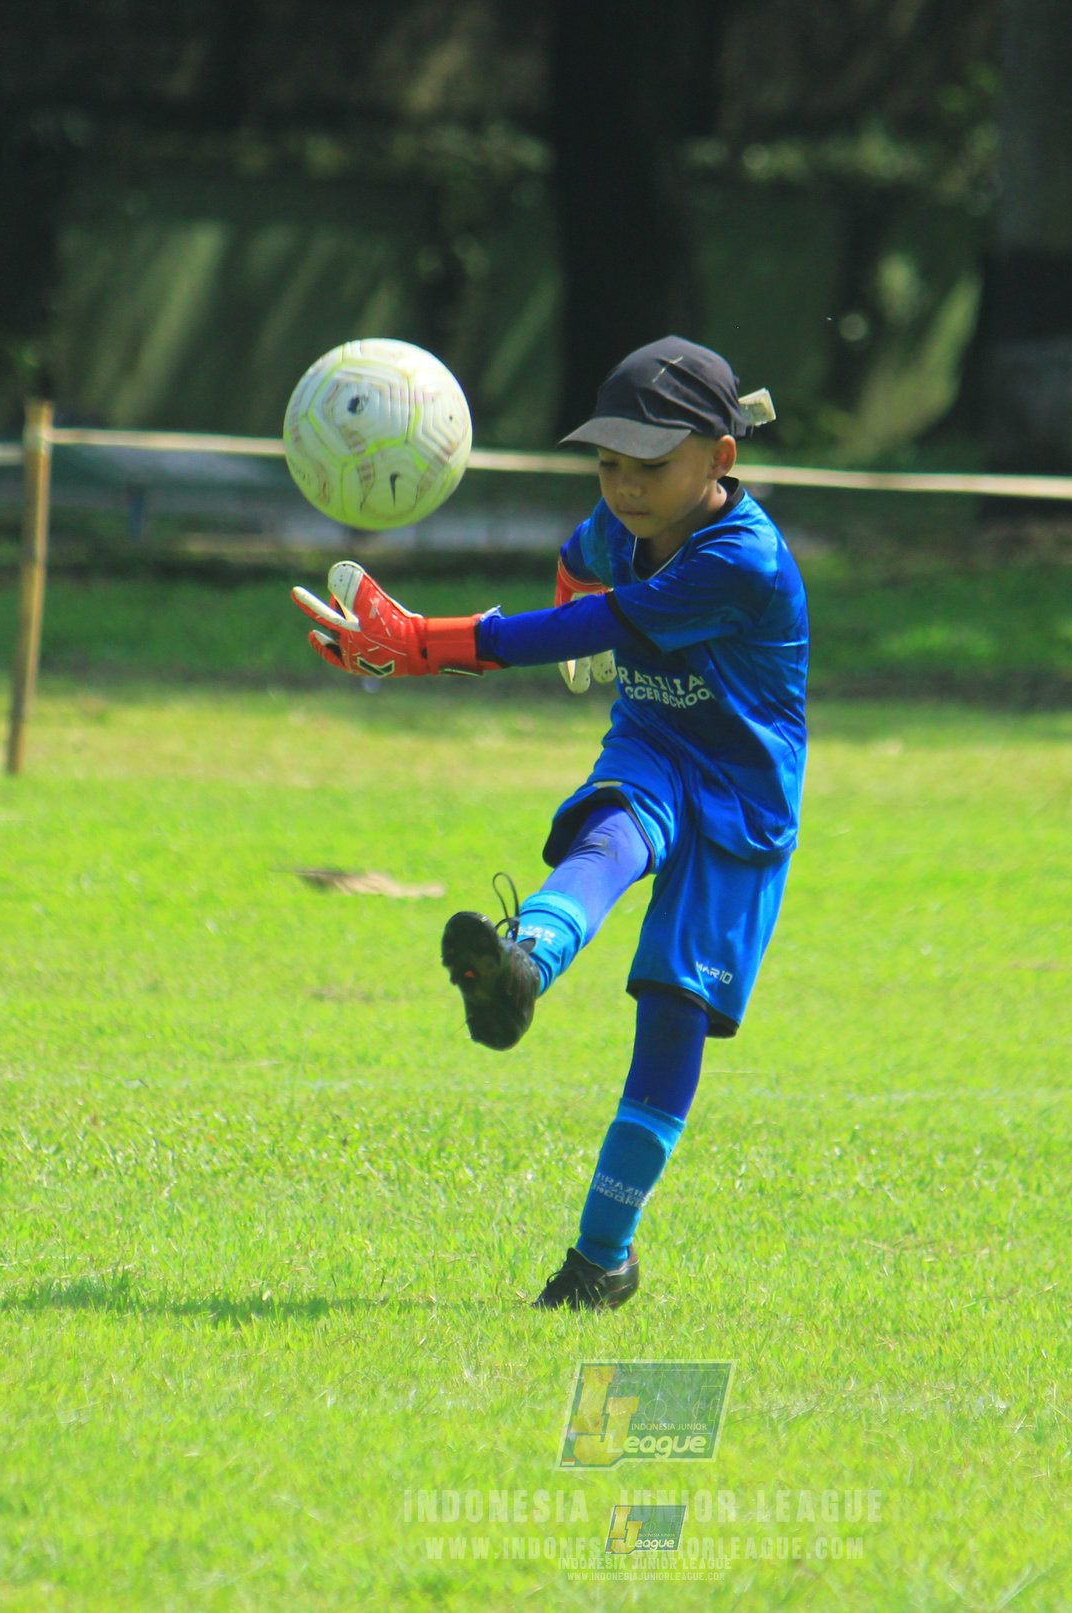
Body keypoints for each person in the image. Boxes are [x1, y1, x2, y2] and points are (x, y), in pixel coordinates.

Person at [291, 335, 805, 1312]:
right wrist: (575, 601)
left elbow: (592, 624)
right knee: (609, 835)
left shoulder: (741, 559)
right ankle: (521, 962)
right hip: (654, 742)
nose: (625, 486)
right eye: (608, 463)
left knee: (672, 1016)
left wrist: (420, 643)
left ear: (720, 458)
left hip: (741, 796)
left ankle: (601, 1259)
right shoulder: (623, 522)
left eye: (649, 464)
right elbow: (579, 566)